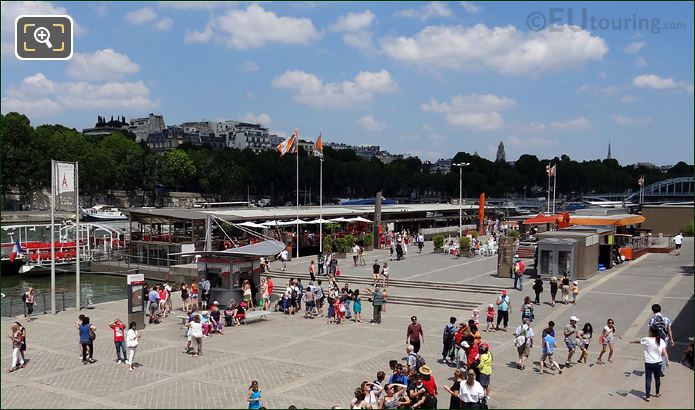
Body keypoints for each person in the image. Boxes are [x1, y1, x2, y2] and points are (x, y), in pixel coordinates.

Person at [630, 327, 669, 402]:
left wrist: (632, 341)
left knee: (648, 379)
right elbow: (664, 352)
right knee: (657, 378)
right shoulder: (661, 340)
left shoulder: (646, 339)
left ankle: (647, 397)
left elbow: (639, 341)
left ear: (651, 332)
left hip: (648, 363)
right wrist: (667, 361)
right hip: (658, 363)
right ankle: (657, 393)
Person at [647, 303, 675, 376]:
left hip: (655, 339)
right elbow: (669, 330)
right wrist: (671, 339)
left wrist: (649, 339)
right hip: (664, 338)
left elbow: (650, 330)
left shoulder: (652, 319)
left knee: (655, 353)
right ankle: (662, 370)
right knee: (662, 354)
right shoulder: (666, 318)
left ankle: (656, 368)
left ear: (653, 311)